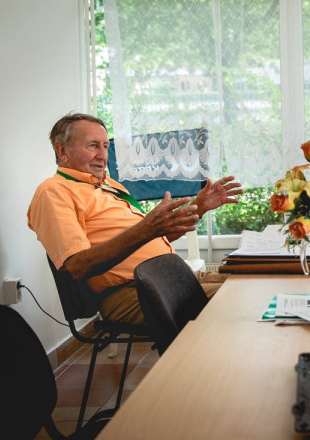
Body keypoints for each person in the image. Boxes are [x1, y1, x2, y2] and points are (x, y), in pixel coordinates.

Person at [28, 113, 243, 326]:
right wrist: (146, 229)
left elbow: (154, 237)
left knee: (255, 282)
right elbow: (78, 266)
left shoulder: (109, 184)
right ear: (62, 150)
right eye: (92, 146)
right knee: (244, 299)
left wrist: (200, 207)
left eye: (104, 146)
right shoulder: (54, 192)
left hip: (173, 276)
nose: (102, 156)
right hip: (134, 290)